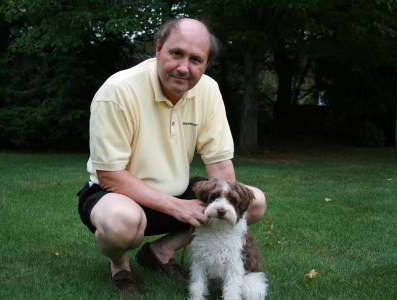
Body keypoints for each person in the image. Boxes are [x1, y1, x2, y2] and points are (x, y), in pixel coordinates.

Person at [77, 17, 266, 298]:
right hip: (118, 192)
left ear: (205, 65)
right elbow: (109, 175)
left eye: (195, 59)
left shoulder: (208, 90)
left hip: (178, 189)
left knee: (253, 203)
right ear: (158, 49)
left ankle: (161, 251)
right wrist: (178, 207)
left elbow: (220, 165)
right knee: (121, 224)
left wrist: (225, 212)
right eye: (176, 53)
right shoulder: (118, 90)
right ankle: (119, 265)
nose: (183, 67)